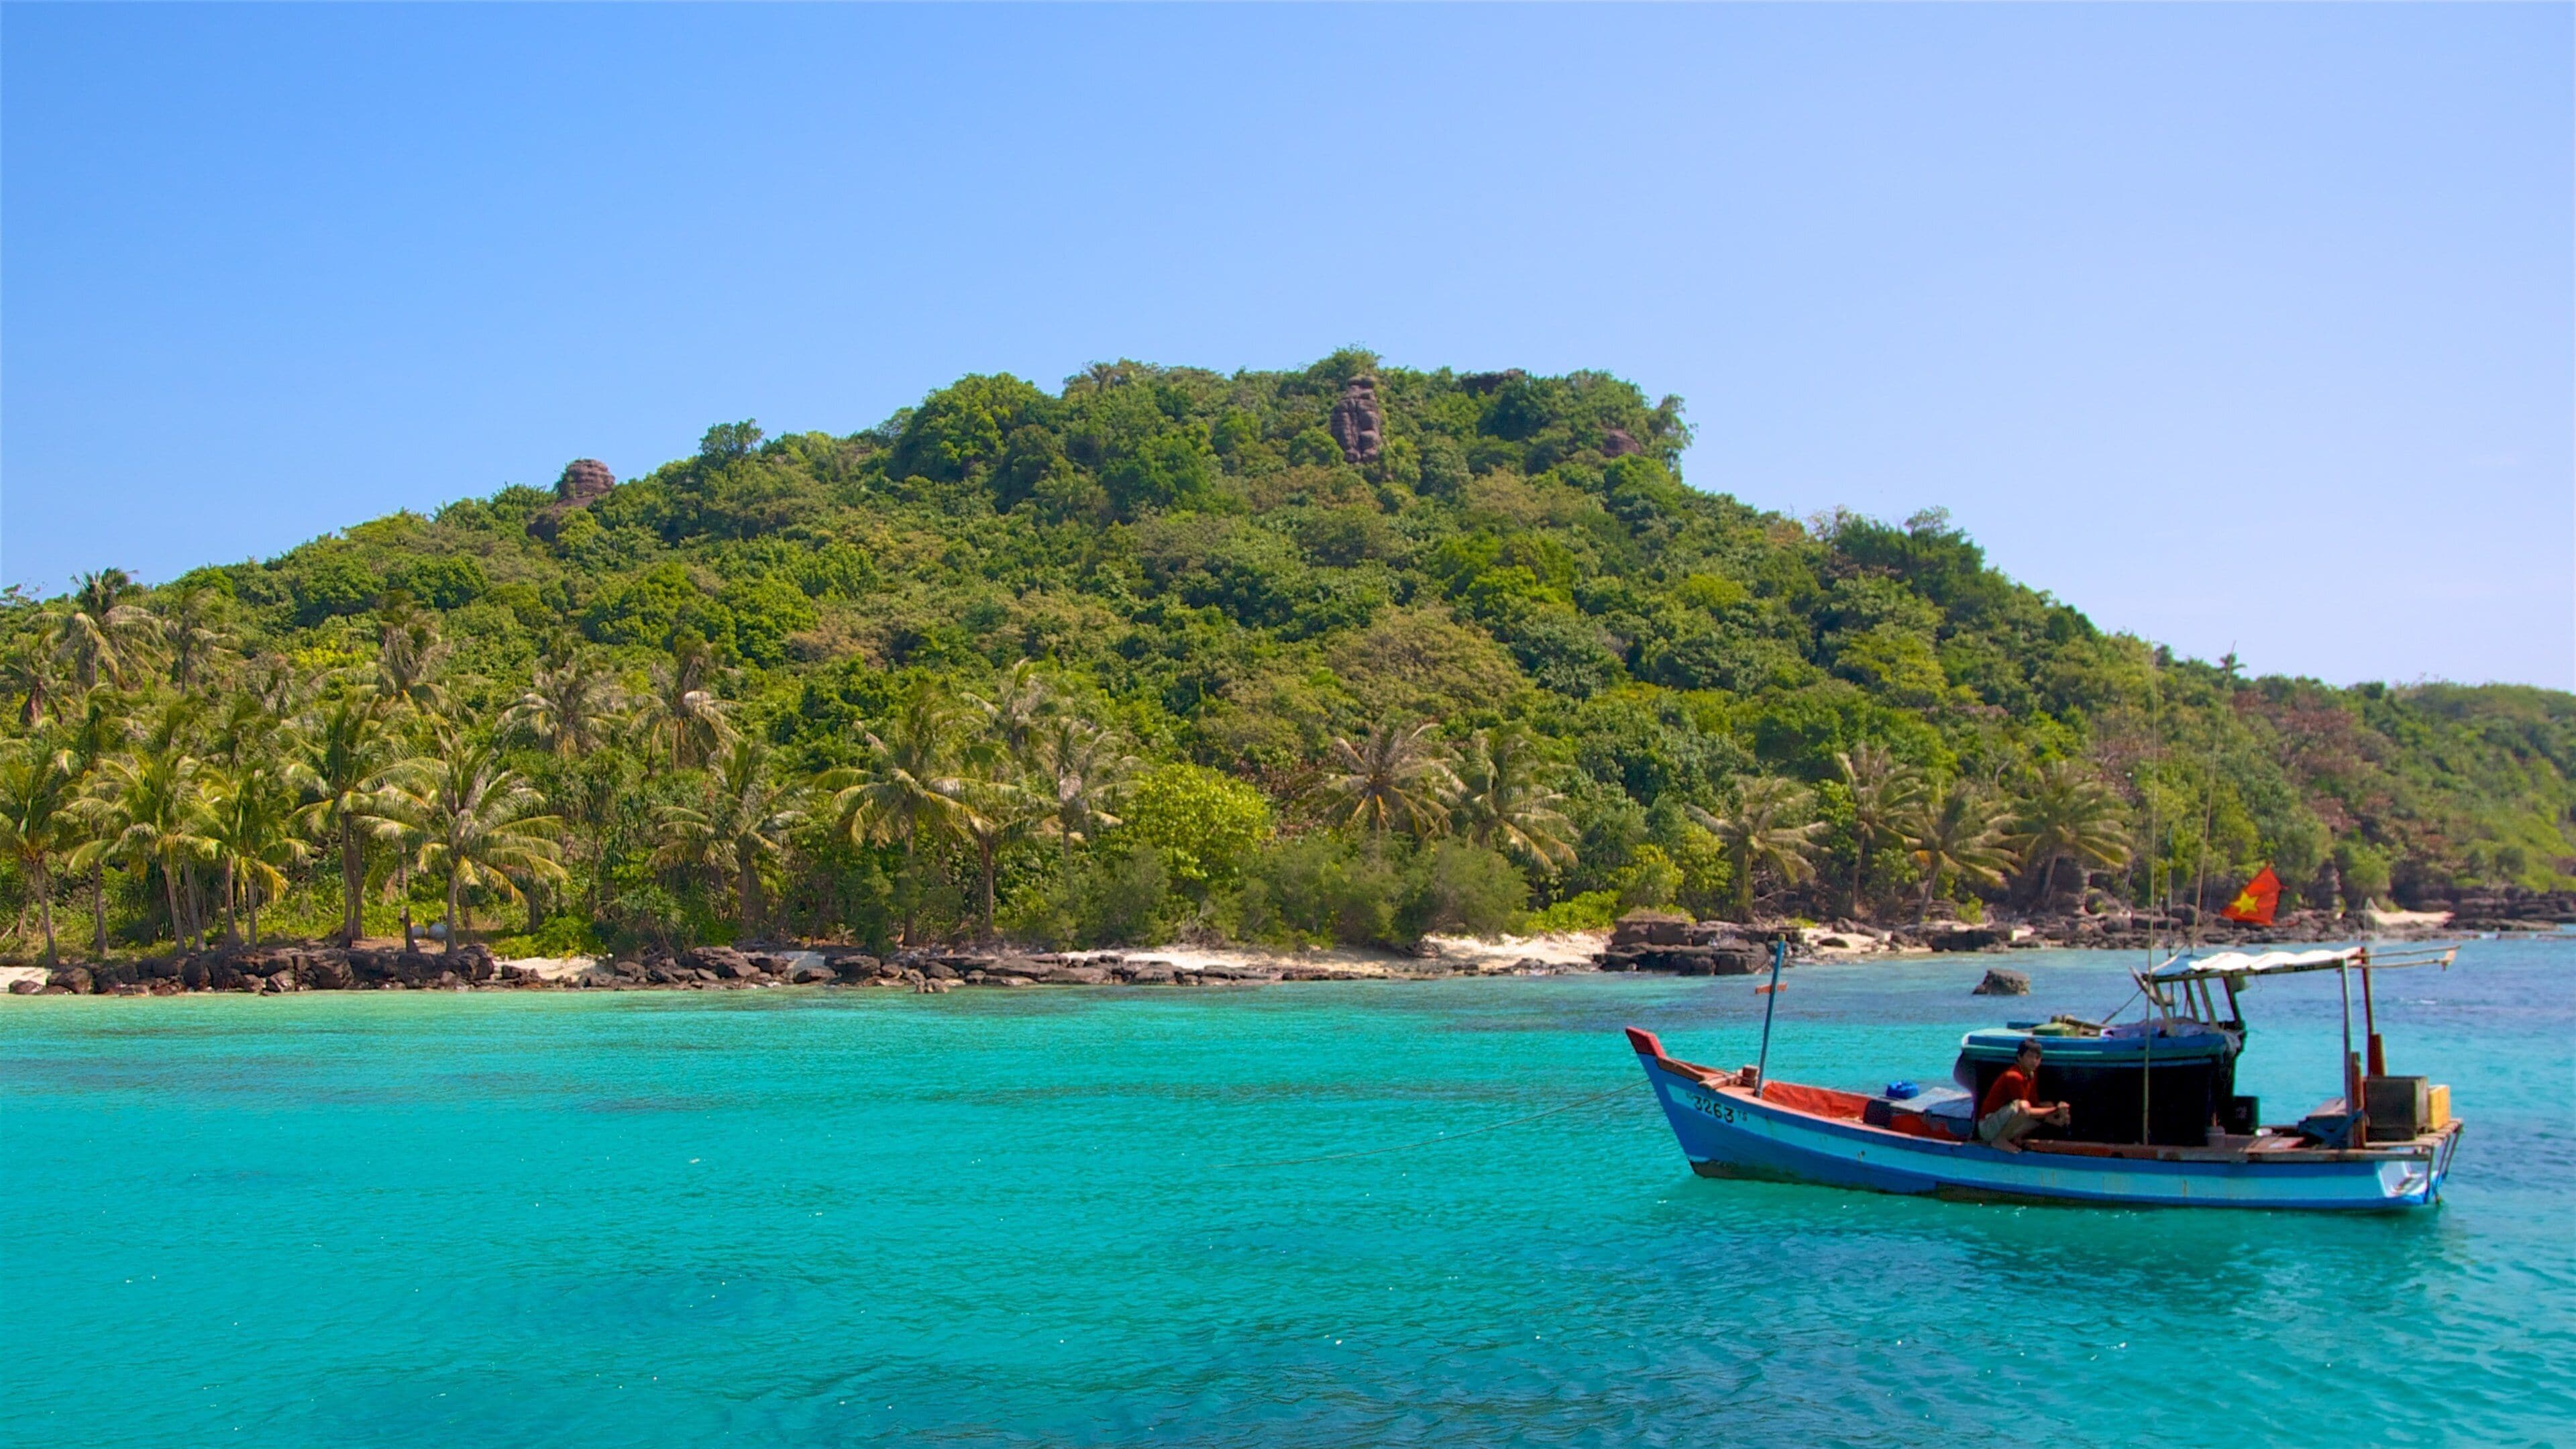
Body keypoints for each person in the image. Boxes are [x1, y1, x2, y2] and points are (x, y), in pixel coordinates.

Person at [1977, 1038, 2071, 1152]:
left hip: (2001, 1123)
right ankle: (2000, 1140)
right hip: (1987, 1127)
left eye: (2037, 1058)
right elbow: (2026, 1110)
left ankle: (2016, 1138)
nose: (2034, 1061)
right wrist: (2056, 1110)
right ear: (2019, 1057)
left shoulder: (2031, 1074)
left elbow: (2035, 1104)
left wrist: (2058, 1119)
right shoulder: (2014, 1076)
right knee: (2025, 1107)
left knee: (2046, 1106)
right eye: (2030, 1057)